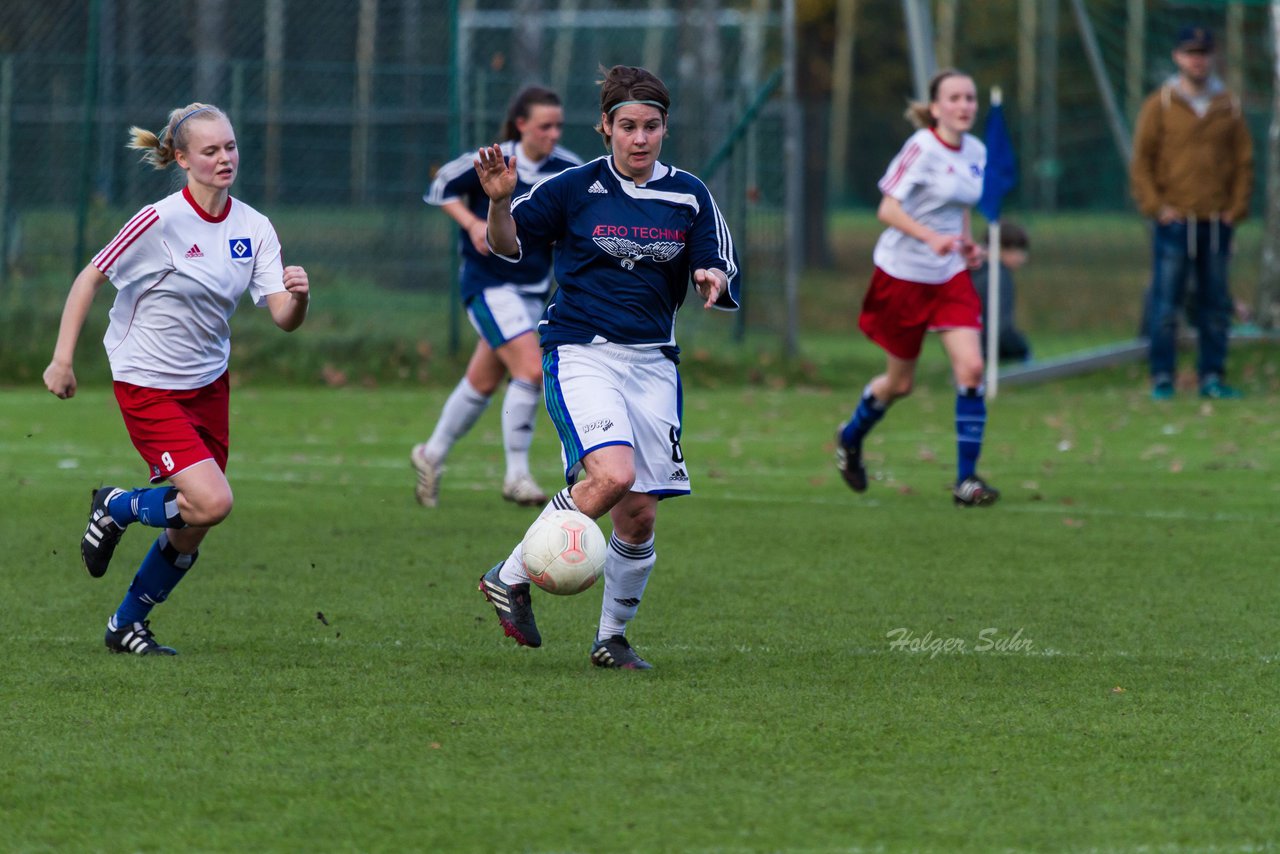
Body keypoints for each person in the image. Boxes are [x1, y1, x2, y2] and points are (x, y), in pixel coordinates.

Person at [473, 65, 740, 669]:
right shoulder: (574, 188)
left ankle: (611, 640)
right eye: (627, 126)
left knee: (640, 514)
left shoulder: (689, 195)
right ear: (606, 128)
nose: (639, 138)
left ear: (665, 129)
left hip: (652, 364)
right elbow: (508, 244)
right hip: (582, 350)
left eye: (650, 126)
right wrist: (497, 204)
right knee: (613, 475)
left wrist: (711, 276)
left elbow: (719, 258)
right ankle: (509, 575)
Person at [43, 103, 310, 655]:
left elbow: (283, 317)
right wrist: (62, 360)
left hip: (207, 383)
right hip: (146, 379)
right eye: (210, 151)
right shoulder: (159, 220)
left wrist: (300, 297)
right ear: (183, 159)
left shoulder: (253, 227)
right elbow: (89, 279)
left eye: (230, 147)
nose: (224, 159)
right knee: (212, 501)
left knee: (193, 523)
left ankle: (125, 625)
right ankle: (116, 507)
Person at [834, 68, 999, 508]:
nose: (965, 106)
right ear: (937, 106)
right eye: (955, 98)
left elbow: (959, 207)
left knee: (972, 370)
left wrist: (964, 245)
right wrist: (930, 238)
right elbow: (887, 209)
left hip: (949, 276)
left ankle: (966, 481)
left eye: (970, 97)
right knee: (900, 384)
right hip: (903, 275)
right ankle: (850, 437)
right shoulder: (921, 147)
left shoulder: (977, 150)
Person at [412, 86, 582, 508]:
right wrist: (472, 224)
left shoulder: (568, 169)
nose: (553, 134)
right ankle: (517, 475)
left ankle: (430, 454)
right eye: (545, 125)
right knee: (530, 370)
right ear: (522, 125)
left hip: (531, 293)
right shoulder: (494, 160)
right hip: (489, 286)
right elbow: (441, 186)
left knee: (483, 381)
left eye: (559, 125)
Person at [1130, 25, 1253, 401]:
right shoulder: (1161, 105)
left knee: (1216, 303)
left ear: (1212, 57)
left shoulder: (1228, 106)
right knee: (1166, 301)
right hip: (1174, 222)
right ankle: (1162, 376)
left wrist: (1236, 208)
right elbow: (1142, 162)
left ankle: (1211, 376)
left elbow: (1243, 162)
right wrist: (1156, 207)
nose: (1197, 60)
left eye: (1203, 52)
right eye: (1190, 52)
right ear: (1177, 57)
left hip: (1217, 222)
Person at [971, 221, 1032, 363]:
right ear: (1000, 249)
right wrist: (1022, 350)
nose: (1023, 258)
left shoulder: (973, 271)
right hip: (989, 349)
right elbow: (1001, 328)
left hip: (966, 346)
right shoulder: (998, 277)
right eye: (1019, 251)